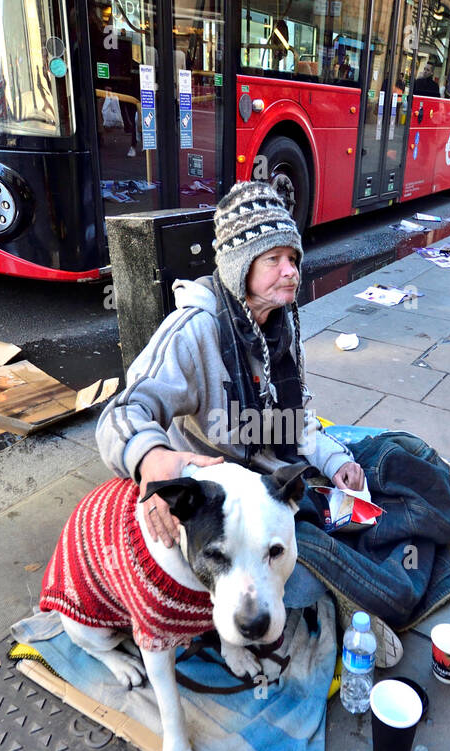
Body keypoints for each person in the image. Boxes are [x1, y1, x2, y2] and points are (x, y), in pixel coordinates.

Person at [97, 181, 362, 605]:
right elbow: (123, 412)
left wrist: (334, 461)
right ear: (240, 267)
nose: (291, 270)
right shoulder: (195, 329)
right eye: (273, 259)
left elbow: (292, 415)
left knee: (395, 464)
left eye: (292, 258)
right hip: (222, 505)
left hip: (272, 475)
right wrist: (151, 458)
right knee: (316, 576)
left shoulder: (282, 323)